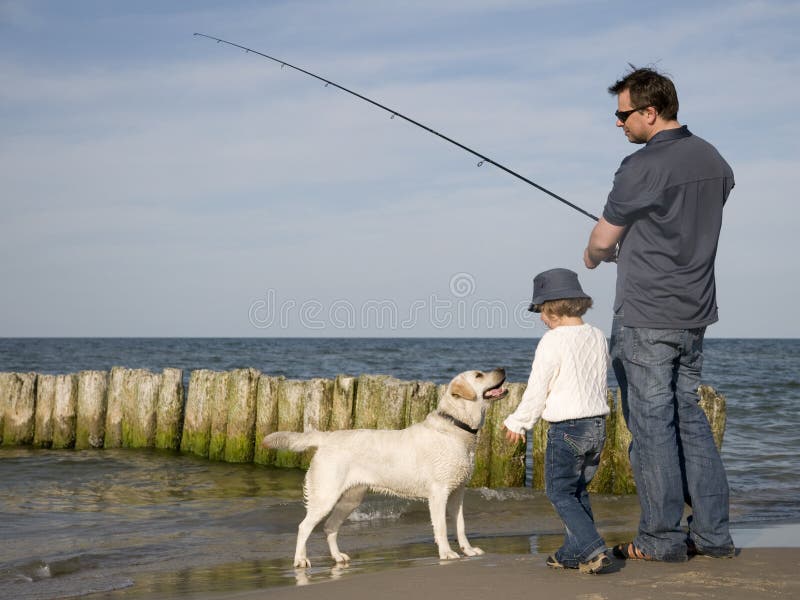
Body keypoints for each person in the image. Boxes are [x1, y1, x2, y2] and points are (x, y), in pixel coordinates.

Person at [584, 66, 735, 562]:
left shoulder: (640, 166)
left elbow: (603, 240)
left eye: (623, 114)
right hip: (695, 312)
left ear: (650, 112)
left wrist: (595, 256)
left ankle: (661, 539)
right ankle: (712, 537)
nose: (619, 123)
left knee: (651, 427)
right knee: (688, 418)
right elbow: (683, 220)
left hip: (647, 311)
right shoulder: (713, 159)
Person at [503, 268, 611, 574]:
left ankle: (592, 548)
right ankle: (571, 554)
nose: (539, 317)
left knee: (559, 493)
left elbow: (538, 389)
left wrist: (518, 422)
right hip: (597, 427)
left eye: (540, 310)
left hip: (567, 429)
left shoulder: (552, 341)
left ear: (553, 307)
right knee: (578, 492)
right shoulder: (597, 335)